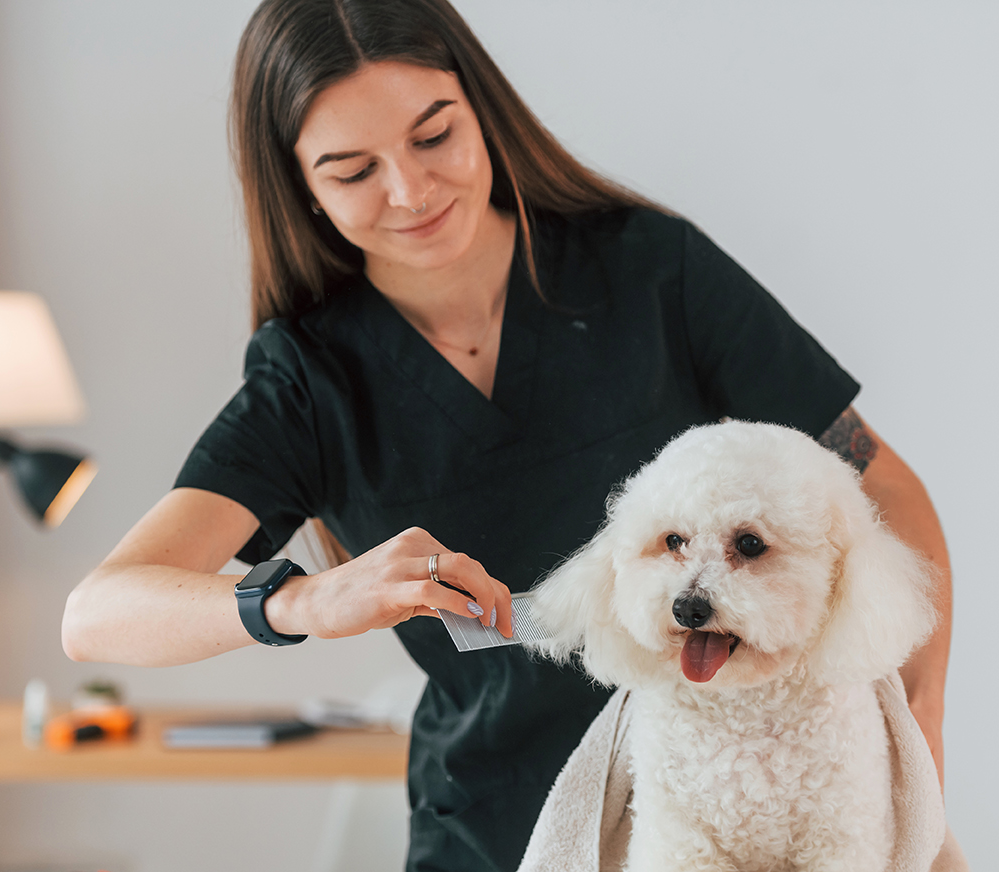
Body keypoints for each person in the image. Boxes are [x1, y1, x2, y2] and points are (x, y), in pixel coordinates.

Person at [61, 0, 953, 869]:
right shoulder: (310, 378)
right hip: (492, 830)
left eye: (433, 134)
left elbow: (882, 488)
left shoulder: (650, 273)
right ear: (300, 185)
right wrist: (304, 602)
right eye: (351, 169)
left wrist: (916, 725)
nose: (411, 191)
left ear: (480, 106)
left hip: (731, 817)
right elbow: (100, 614)